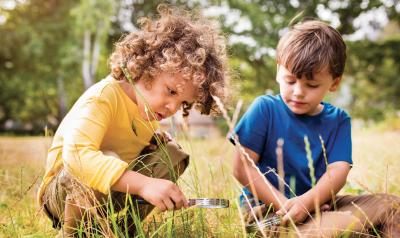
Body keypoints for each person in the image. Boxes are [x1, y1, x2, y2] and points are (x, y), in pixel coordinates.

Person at [37, 5, 229, 237]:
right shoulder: (104, 97)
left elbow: (126, 139)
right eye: (170, 91)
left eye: (182, 103)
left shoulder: (145, 108)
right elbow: (77, 157)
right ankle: (76, 233)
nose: (172, 108)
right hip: (63, 194)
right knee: (105, 157)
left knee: (171, 153)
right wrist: (144, 184)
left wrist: (152, 141)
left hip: (106, 194)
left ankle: (123, 231)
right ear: (146, 68)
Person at [232, 20, 400, 237]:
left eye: (311, 85)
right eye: (290, 81)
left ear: (334, 83)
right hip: (268, 212)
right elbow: (242, 167)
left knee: (392, 205)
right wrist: (291, 206)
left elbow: (338, 171)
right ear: (278, 72)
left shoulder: (338, 120)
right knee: (346, 225)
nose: (298, 92)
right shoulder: (265, 109)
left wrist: (309, 202)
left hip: (317, 208)